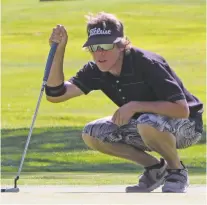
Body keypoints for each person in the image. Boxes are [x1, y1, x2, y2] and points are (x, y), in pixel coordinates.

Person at [46, 12, 203, 193]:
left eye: (106, 45)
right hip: (146, 127)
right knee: (92, 133)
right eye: (94, 47)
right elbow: (55, 94)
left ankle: (176, 170)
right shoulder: (96, 69)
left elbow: (182, 110)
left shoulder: (146, 63)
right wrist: (58, 51)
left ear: (121, 45)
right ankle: (155, 169)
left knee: (147, 121)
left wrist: (135, 105)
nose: (99, 53)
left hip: (187, 126)